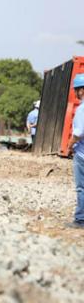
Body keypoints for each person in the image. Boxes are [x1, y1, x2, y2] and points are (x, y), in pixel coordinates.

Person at [68, 74, 84, 229]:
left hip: (82, 155)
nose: (76, 93)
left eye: (77, 90)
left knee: (81, 188)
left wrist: (69, 145)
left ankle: (80, 220)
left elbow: (79, 133)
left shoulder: (82, 109)